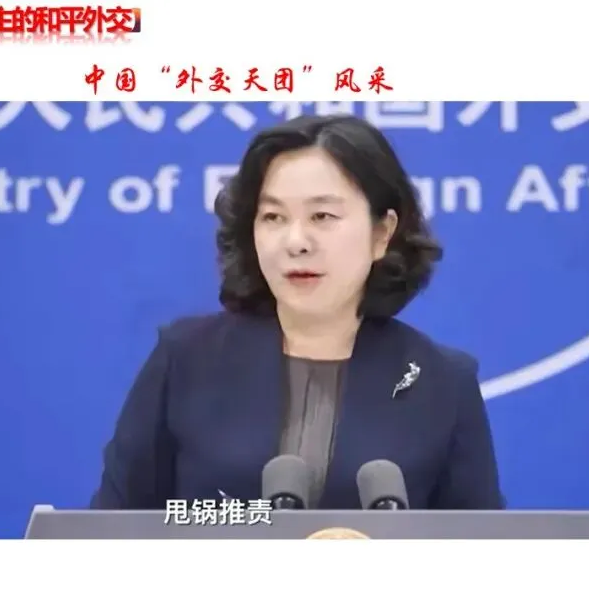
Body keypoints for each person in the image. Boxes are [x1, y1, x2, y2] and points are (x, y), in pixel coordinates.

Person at [91, 115, 504, 510]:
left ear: (382, 233)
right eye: (273, 217)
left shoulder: (442, 383)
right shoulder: (185, 358)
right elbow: (114, 527)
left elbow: (479, 544)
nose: (296, 241)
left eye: (322, 216)